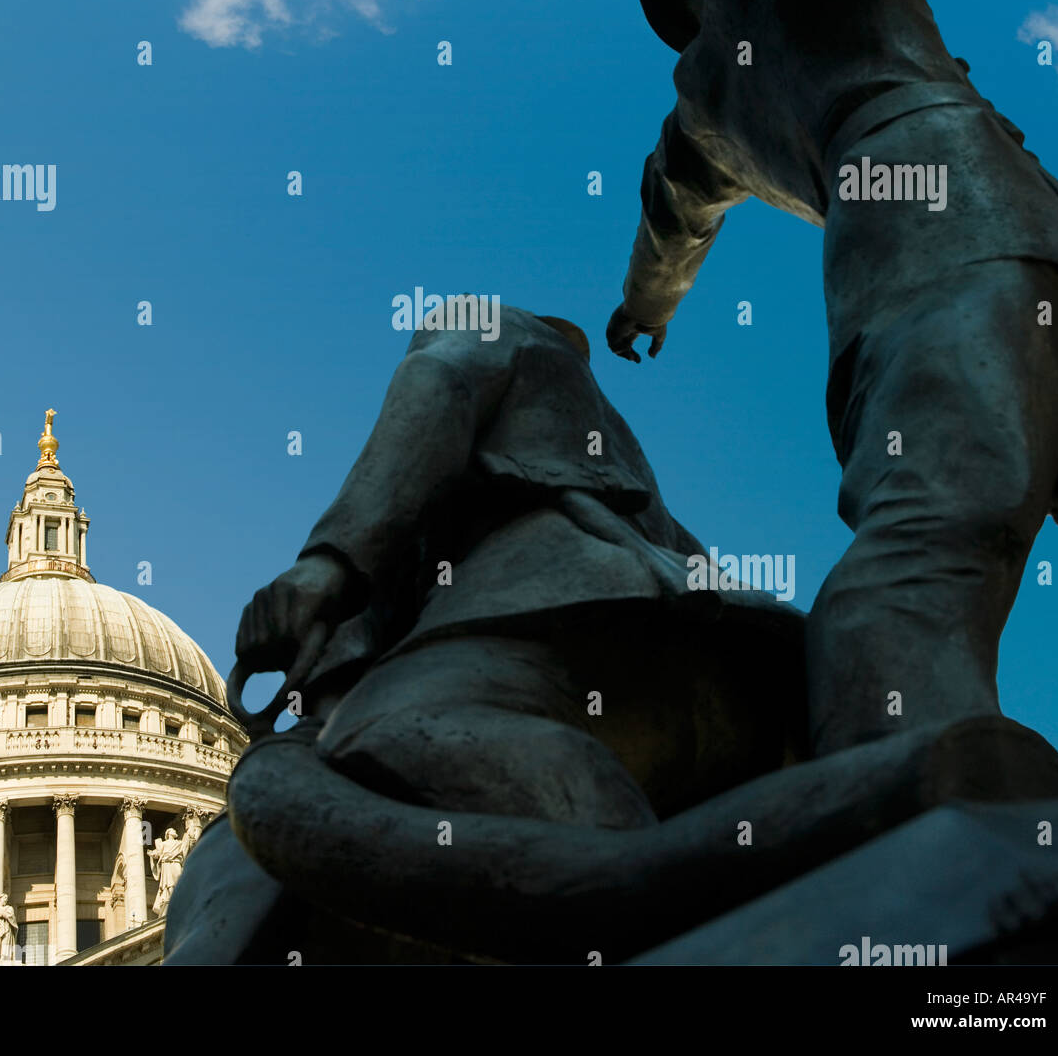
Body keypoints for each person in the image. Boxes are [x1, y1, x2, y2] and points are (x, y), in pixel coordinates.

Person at [607, 0, 1058, 756]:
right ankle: (889, 791)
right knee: (937, 526)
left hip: (920, 259)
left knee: (945, 521)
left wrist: (642, 313)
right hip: (1001, 228)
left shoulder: (698, 108)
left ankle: (894, 772)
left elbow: (670, 230)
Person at [231, 304, 806, 829]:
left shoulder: (486, 332)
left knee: (372, 739)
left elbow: (438, 384)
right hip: (738, 684)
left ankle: (625, 873)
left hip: (577, 628)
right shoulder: (614, 454)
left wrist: (322, 567)